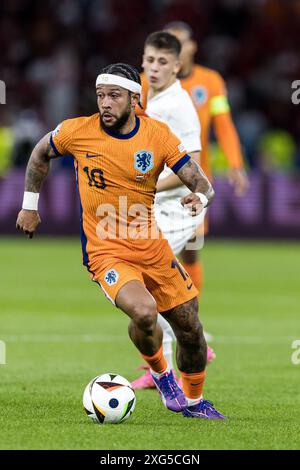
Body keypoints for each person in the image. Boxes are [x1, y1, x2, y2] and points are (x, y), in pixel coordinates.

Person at [16, 63, 225, 419]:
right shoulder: (76, 131)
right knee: (144, 312)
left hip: (152, 247)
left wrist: (200, 198)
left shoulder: (157, 135)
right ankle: (162, 377)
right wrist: (29, 206)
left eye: (114, 96)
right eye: (101, 96)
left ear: (134, 99)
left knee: (191, 329)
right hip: (105, 251)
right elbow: (39, 153)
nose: (105, 104)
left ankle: (193, 403)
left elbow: (201, 182)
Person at [132, 31, 215, 390]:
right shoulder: (156, 99)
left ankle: (195, 340)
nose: (154, 67)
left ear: (177, 67)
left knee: (147, 289)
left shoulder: (177, 107)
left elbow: (193, 166)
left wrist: (145, 185)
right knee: (147, 288)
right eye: (150, 60)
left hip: (178, 211)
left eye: (162, 62)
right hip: (158, 210)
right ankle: (161, 368)